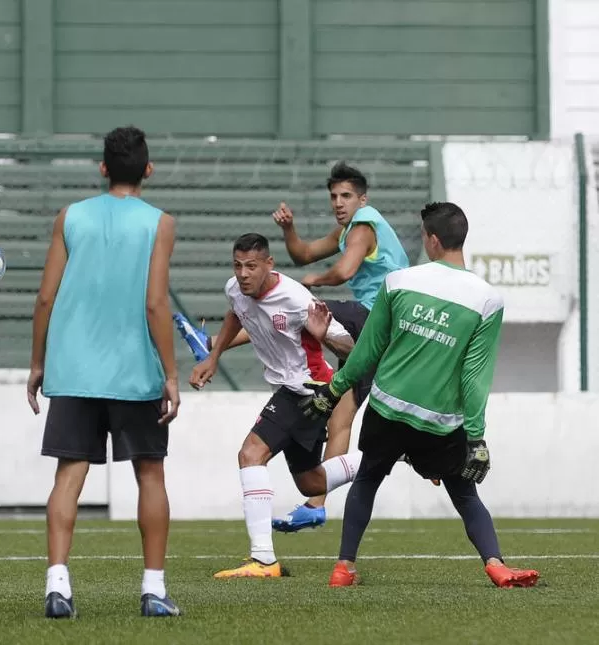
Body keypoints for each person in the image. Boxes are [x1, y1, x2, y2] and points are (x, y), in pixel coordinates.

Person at [302, 201, 539, 589]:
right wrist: (476, 438)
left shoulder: (399, 282)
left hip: (386, 406)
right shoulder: (486, 300)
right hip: (439, 421)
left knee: (368, 480)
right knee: (464, 494)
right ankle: (495, 564)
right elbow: (474, 376)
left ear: (431, 240)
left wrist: (334, 390)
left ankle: (343, 567)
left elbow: (367, 350)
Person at [174, 161, 410, 532]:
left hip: (375, 315)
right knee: (340, 414)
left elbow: (345, 271)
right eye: (333, 196)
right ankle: (317, 503)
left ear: (362, 199)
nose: (338, 202)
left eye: (346, 196)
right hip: (380, 327)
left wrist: (315, 279)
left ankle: (210, 346)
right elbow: (301, 254)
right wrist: (289, 230)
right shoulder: (346, 229)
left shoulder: (364, 224)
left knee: (292, 310)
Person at [27, 126, 182, 618]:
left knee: (68, 475)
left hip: (72, 367)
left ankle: (58, 586)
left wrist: (37, 363)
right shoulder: (160, 223)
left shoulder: (70, 217)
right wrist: (172, 375)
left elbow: (45, 297)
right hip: (134, 368)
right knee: (150, 475)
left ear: (102, 169)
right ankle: (153, 590)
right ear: (148, 171)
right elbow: (156, 303)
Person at [189, 233, 362, 579]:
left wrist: (322, 333)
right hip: (292, 389)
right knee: (312, 484)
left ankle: (263, 559)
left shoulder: (297, 299)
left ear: (269, 264)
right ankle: (388, 453)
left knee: (251, 454)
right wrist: (214, 355)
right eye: (237, 265)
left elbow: (351, 350)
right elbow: (236, 315)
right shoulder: (236, 289)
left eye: (251, 266)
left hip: (308, 390)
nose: (243, 274)